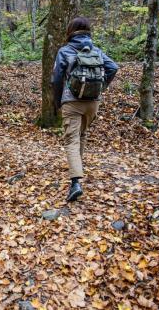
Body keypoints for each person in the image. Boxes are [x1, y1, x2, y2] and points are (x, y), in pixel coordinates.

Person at [52, 16, 118, 202]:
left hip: (71, 101)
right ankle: (78, 171)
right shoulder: (95, 50)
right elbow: (113, 67)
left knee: (71, 140)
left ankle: (75, 183)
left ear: (70, 31)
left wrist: (58, 102)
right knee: (81, 135)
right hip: (93, 102)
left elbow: (56, 79)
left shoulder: (64, 51)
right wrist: (101, 87)